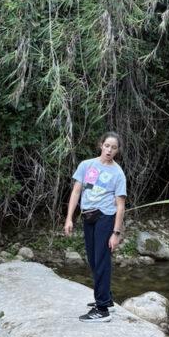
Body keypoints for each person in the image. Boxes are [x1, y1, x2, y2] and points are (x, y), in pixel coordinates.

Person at [63, 132, 127, 322]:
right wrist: (69, 218)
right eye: (107, 145)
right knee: (93, 260)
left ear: (117, 150)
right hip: (87, 216)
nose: (109, 150)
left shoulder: (118, 173)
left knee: (101, 260)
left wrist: (116, 233)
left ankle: (102, 310)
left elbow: (120, 206)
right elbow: (76, 192)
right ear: (101, 145)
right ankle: (106, 300)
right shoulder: (86, 165)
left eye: (113, 147)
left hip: (104, 218)